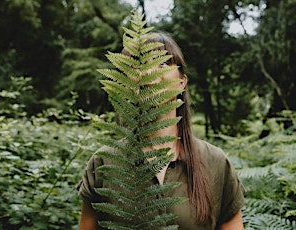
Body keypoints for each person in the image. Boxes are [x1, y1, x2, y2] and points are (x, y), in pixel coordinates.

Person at [77, 32, 244, 230]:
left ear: (182, 82)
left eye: (162, 63)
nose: (148, 72)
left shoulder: (215, 162)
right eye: (139, 65)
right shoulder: (104, 162)